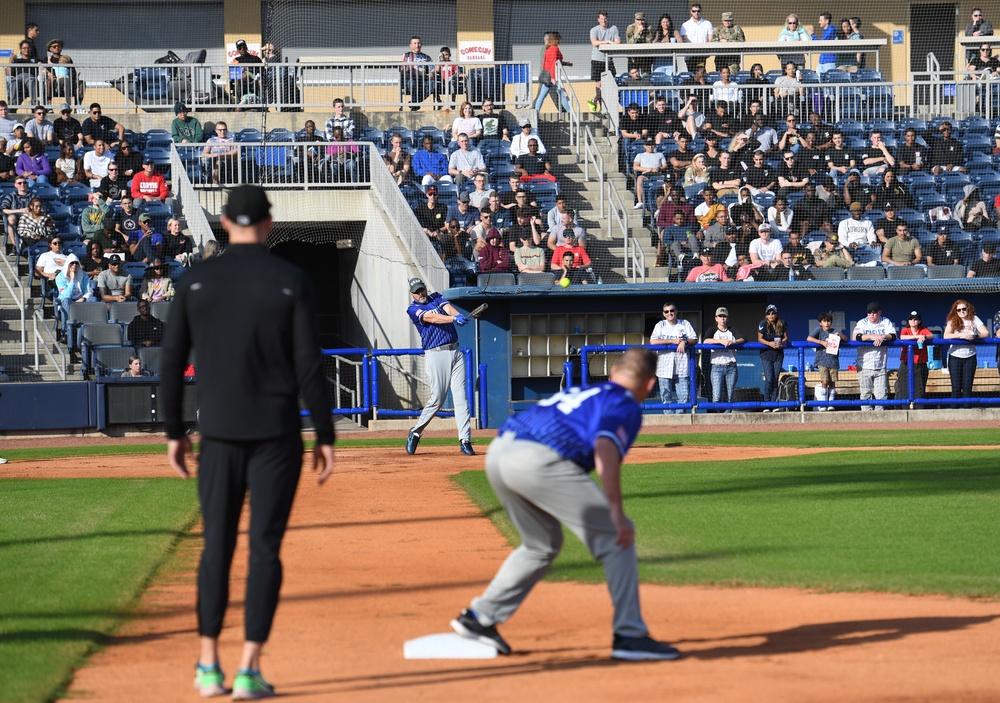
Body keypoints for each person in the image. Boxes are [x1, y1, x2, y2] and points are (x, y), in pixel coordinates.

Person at [161, 185, 334, 701]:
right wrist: (325, 434)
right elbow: (309, 365)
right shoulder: (291, 279)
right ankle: (248, 669)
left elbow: (170, 365)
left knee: (216, 547)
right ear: (269, 222)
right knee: (264, 550)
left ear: (221, 220)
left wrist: (173, 433)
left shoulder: (194, 280)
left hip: (218, 434)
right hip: (277, 435)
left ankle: (209, 666)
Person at [449, 347, 680, 661]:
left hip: (500, 452)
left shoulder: (584, 391)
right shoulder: (625, 402)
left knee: (540, 544)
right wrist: (616, 512)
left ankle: (479, 618)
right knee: (617, 538)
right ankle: (631, 635)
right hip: (538, 460)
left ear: (613, 373)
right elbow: (605, 448)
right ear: (650, 384)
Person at [405, 278, 474, 456]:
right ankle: (416, 432)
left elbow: (448, 308)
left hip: (455, 350)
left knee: (461, 398)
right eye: (416, 291)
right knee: (438, 399)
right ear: (411, 294)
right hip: (436, 354)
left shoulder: (435, 297)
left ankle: (464, 440)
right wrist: (453, 318)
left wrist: (457, 315)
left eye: (422, 289)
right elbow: (432, 318)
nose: (420, 293)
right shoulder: (412, 309)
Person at [649, 304, 697, 413]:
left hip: (682, 366)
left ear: (676, 311)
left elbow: (694, 339)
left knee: (684, 396)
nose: (669, 313)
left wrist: (684, 341)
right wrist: (673, 341)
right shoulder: (660, 325)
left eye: (671, 310)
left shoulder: (684, 323)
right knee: (666, 397)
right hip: (664, 367)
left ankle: (679, 420)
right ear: (663, 314)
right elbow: (653, 341)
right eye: (666, 311)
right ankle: (669, 421)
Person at [943, 299, 989, 406]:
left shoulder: (974, 319)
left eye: (964, 309)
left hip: (970, 356)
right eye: (959, 310)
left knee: (968, 387)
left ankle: (967, 413)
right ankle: (955, 414)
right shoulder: (952, 320)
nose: (962, 312)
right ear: (956, 311)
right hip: (955, 356)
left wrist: (975, 336)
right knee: (956, 387)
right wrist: (961, 335)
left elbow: (986, 333)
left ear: (968, 309)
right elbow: (946, 335)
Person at [852, 302, 896, 411]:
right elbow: (855, 337)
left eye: (875, 312)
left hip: (880, 364)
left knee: (881, 394)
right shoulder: (862, 323)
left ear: (879, 312)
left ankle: (879, 421)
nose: (872, 315)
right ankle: (867, 419)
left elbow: (894, 336)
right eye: (870, 312)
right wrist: (873, 336)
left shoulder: (885, 322)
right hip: (864, 364)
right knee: (865, 393)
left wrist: (883, 336)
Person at [703, 307, 745, 411]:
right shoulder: (712, 330)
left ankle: (727, 420)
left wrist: (733, 342)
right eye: (720, 316)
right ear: (716, 318)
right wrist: (721, 342)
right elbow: (705, 341)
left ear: (727, 318)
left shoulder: (732, 330)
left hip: (731, 366)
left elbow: (743, 338)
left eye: (724, 316)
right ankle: (718, 418)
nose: (722, 319)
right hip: (717, 366)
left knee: (729, 396)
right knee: (716, 396)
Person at [807, 311, 848, 411]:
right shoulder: (819, 330)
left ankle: (831, 403)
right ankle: (823, 404)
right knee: (824, 382)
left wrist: (840, 335)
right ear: (821, 322)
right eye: (824, 321)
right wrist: (821, 342)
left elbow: (846, 339)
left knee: (832, 383)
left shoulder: (834, 331)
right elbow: (809, 338)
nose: (827, 323)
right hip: (822, 360)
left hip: (833, 361)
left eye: (828, 321)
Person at [895, 311, 933, 403]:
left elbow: (931, 335)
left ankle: (918, 410)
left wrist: (924, 337)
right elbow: (902, 337)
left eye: (915, 319)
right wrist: (916, 337)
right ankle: (905, 409)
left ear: (919, 321)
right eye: (911, 319)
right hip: (906, 363)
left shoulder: (923, 330)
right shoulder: (905, 330)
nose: (913, 320)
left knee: (919, 390)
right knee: (904, 389)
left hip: (920, 364)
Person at [588, 11, 621, 113]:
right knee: (599, 84)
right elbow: (594, 42)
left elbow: (618, 42)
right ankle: (599, 104)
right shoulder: (594, 30)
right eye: (601, 19)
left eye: (605, 18)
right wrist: (607, 42)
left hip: (609, 60)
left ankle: (595, 102)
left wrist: (612, 43)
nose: (604, 20)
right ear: (598, 20)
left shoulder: (613, 28)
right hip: (597, 60)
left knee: (611, 83)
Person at [55, 254, 92, 339]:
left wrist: (84, 298)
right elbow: (66, 295)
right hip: (67, 301)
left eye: (76, 263)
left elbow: (89, 290)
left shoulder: (83, 274)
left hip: (80, 300)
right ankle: (67, 331)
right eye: (72, 263)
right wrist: (72, 279)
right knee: (65, 301)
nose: (74, 265)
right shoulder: (60, 277)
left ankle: (90, 329)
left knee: (93, 299)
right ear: (67, 264)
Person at [757, 305, 787, 411]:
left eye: (773, 313)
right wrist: (769, 343)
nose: (771, 315)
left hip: (778, 355)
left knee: (775, 379)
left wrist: (782, 342)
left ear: (776, 314)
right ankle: (766, 403)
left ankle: (774, 404)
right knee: (769, 379)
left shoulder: (781, 323)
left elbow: (785, 337)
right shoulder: (763, 323)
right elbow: (759, 339)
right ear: (766, 315)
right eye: (769, 313)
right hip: (766, 354)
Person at [535, 32, 572, 114]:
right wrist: (553, 77)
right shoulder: (555, 49)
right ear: (555, 40)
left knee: (542, 95)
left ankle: (536, 112)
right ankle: (570, 113)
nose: (560, 41)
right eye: (558, 39)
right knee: (562, 95)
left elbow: (545, 64)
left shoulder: (547, 49)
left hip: (547, 76)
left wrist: (566, 63)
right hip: (554, 77)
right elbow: (553, 64)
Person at [400, 36, 433, 111]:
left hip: (423, 80)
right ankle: (415, 104)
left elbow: (432, 68)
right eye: (415, 43)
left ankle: (415, 103)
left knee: (433, 84)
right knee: (412, 82)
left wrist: (431, 73)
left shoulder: (426, 57)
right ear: (411, 45)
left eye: (418, 43)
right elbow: (402, 69)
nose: (417, 45)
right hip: (410, 79)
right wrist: (405, 71)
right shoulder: (406, 56)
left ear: (421, 44)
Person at [680, 3, 714, 72]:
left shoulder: (707, 23)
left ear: (700, 11)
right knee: (691, 75)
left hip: (702, 54)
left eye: (698, 11)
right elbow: (684, 39)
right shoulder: (685, 25)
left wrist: (708, 51)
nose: (696, 13)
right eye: (694, 11)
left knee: (700, 73)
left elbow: (710, 39)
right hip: (689, 55)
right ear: (691, 12)